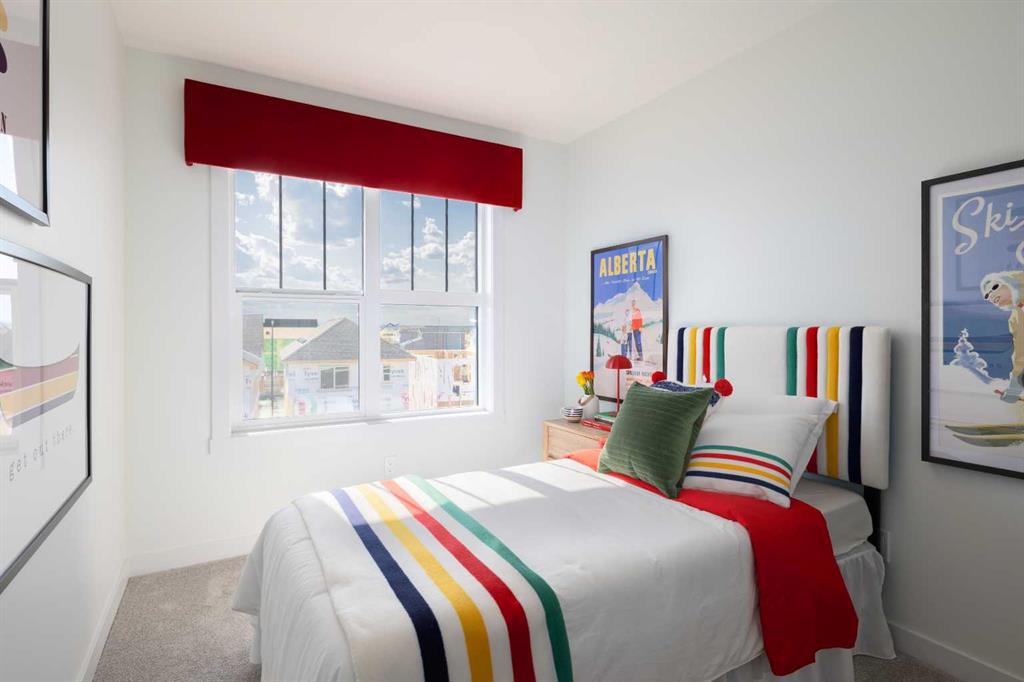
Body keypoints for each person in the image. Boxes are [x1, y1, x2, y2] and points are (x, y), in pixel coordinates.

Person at [980, 270, 1024, 403]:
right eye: (987, 296)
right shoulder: (1016, 318)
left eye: (995, 287)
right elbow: (1020, 353)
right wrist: (1013, 390)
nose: (991, 296)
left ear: (1012, 283)